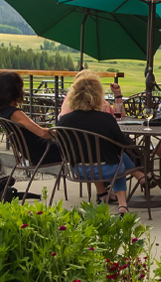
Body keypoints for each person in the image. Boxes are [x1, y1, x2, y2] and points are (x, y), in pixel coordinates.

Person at [55, 74, 153, 214]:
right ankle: (123, 204)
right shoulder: (105, 118)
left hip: (78, 171)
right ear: (97, 95)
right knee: (120, 159)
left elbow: (62, 147)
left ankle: (137, 179)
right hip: (108, 169)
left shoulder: (64, 121)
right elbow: (122, 143)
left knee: (118, 158)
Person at [0, 71, 58, 201]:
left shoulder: (3, 112)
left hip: (30, 153)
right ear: (14, 90)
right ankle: (101, 188)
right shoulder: (15, 113)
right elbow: (42, 133)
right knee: (79, 147)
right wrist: (61, 132)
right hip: (42, 153)